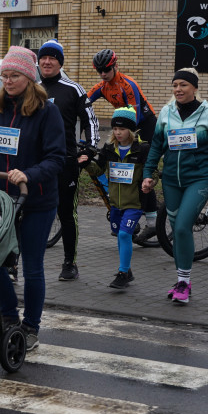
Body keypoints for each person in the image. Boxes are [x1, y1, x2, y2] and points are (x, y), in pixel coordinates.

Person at [0, 45, 65, 350]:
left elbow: (56, 158)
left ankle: (31, 327)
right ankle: (9, 318)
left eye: (14, 75)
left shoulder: (46, 111)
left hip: (36, 201)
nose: (7, 81)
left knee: (32, 267)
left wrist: (29, 174)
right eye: (4, 76)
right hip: (2, 201)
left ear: (28, 76)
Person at [142, 68, 208, 304]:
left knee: (183, 227)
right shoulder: (166, 112)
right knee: (178, 231)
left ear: (194, 88)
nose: (178, 90)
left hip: (198, 180)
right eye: (175, 85)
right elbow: (156, 145)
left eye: (183, 85)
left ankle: (184, 282)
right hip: (171, 181)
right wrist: (148, 174)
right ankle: (182, 279)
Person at [36, 39, 99, 281]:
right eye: (44, 58)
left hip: (65, 162)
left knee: (66, 213)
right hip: (37, 164)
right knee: (28, 210)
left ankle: (69, 263)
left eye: (52, 58)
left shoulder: (73, 89)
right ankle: (15, 261)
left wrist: (91, 149)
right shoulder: (34, 88)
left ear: (60, 62)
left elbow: (90, 120)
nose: (47, 61)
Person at [87, 49, 160, 242]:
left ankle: (152, 223)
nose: (103, 74)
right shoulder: (102, 86)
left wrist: (125, 142)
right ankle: (128, 214)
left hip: (144, 124)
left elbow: (134, 117)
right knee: (121, 171)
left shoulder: (128, 85)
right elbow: (84, 102)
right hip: (125, 125)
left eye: (107, 69)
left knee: (141, 170)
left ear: (115, 66)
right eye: (100, 71)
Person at [79, 108, 147, 289]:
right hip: (115, 204)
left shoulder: (142, 149)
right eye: (115, 129)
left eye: (122, 129)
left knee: (125, 234)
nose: (118, 133)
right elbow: (98, 170)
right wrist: (86, 163)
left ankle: (123, 272)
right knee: (119, 235)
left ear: (131, 131)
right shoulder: (109, 149)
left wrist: (150, 180)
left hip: (134, 202)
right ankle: (127, 270)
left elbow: (151, 171)